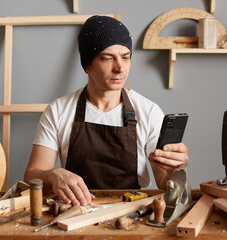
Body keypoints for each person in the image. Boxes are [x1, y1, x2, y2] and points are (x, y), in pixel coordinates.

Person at [24, 15, 189, 206]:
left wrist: (176, 170)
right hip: (76, 212)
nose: (120, 68)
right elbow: (32, 176)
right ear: (88, 65)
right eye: (107, 58)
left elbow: (164, 183)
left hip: (131, 211)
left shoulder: (149, 112)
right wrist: (53, 174)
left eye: (126, 57)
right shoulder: (58, 110)